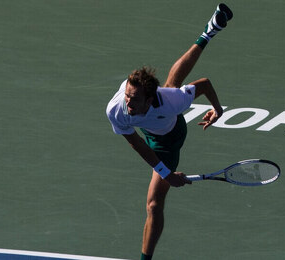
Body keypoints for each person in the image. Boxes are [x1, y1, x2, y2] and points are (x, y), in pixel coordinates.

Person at [105, 4, 233, 260]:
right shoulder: (116, 109)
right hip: (151, 131)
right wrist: (167, 174)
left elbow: (205, 84)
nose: (128, 104)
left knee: (154, 204)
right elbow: (137, 143)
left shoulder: (171, 101)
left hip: (169, 138)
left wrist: (217, 110)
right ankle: (210, 30)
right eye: (127, 96)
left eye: (135, 100)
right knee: (171, 85)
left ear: (150, 99)